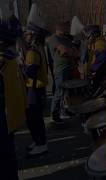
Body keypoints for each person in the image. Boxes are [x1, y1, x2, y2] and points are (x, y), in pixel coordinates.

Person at [0, 13, 27, 179]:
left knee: (6, 157)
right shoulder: (10, 58)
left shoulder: (4, 60)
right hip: (8, 116)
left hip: (4, 116)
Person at [23, 3, 49, 155]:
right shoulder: (38, 49)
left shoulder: (32, 52)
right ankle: (38, 140)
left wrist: (21, 69)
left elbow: (30, 73)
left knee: (34, 117)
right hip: (38, 88)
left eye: (28, 33)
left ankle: (41, 143)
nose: (26, 35)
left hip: (33, 88)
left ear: (33, 36)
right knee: (35, 117)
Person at [46, 21, 79, 123]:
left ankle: (66, 110)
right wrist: (70, 51)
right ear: (59, 27)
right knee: (59, 92)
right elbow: (64, 51)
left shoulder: (65, 39)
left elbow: (75, 52)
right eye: (65, 27)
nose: (67, 29)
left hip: (69, 67)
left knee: (67, 92)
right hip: (60, 69)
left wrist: (69, 51)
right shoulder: (53, 39)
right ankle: (55, 114)